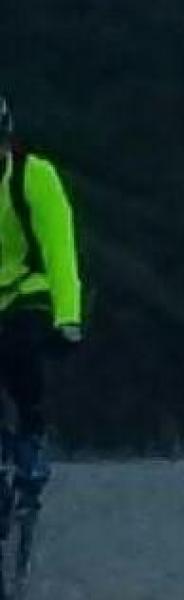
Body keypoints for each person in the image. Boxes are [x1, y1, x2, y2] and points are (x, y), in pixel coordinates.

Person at [0, 94, 82, 511]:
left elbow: (59, 249)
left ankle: (31, 437)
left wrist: (68, 317)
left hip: (25, 289)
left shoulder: (34, 176)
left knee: (19, 351)